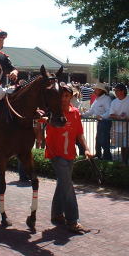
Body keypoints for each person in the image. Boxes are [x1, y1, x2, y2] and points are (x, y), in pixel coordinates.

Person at [45, 83, 93, 234]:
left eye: (67, 96)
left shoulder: (75, 113)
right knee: (68, 186)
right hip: (56, 154)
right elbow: (41, 119)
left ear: (71, 97)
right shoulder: (53, 113)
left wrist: (86, 148)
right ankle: (73, 221)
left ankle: (56, 214)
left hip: (70, 154)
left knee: (62, 184)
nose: (64, 99)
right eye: (62, 95)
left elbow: (79, 134)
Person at [109, 83, 129, 165]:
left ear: (122, 91)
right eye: (114, 90)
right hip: (117, 128)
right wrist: (119, 117)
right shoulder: (114, 102)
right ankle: (127, 163)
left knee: (125, 146)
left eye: (116, 90)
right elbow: (111, 114)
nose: (115, 92)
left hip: (128, 127)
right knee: (123, 146)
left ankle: (127, 163)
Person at [82, 83, 112, 160]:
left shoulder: (106, 99)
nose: (94, 91)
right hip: (100, 122)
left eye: (96, 89)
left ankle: (106, 157)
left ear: (101, 90)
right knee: (99, 139)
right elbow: (91, 111)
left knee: (104, 140)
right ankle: (99, 155)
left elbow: (109, 111)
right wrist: (82, 115)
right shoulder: (97, 99)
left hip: (105, 122)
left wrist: (102, 116)